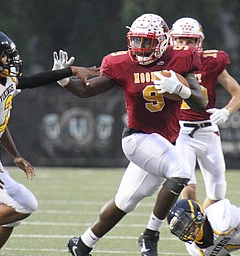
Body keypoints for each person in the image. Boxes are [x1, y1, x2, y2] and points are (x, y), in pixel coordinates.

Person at [52, 13, 206, 256]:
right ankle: (150, 236)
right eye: (136, 41)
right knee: (181, 172)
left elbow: (201, 102)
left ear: (164, 41)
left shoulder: (180, 59)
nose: (141, 48)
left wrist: (180, 90)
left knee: (125, 202)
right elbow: (88, 90)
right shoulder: (121, 63)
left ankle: (81, 244)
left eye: (147, 42)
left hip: (163, 143)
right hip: (137, 137)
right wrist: (62, 79)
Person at [0, 29, 99, 256]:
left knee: (9, 218)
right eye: (4, 55)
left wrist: (70, 71)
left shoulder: (0, 81)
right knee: (26, 204)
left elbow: (23, 89)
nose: (10, 59)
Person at [169, 17, 240, 209]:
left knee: (218, 194)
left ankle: (202, 232)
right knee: (188, 188)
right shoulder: (166, 63)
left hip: (208, 131)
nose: (185, 45)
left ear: (199, 42)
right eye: (180, 40)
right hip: (181, 133)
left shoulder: (212, 61)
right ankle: (193, 236)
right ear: (172, 40)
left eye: (190, 41)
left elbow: (239, 95)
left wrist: (226, 112)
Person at [167, 198, 240, 255]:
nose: (185, 230)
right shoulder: (195, 249)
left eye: (184, 222)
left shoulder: (220, 218)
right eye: (179, 228)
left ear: (197, 214)